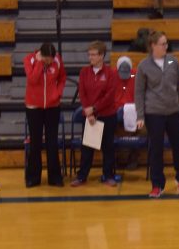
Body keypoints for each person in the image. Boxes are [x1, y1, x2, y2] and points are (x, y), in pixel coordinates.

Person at [134, 30, 179, 198]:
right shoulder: (143, 66)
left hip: (174, 111)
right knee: (156, 149)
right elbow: (139, 92)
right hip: (154, 112)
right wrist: (140, 115)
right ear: (152, 46)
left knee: (177, 146)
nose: (166, 46)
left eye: (166, 43)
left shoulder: (174, 61)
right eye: (162, 44)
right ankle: (157, 184)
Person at [71, 41, 119, 187]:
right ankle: (82, 176)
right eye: (89, 54)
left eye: (93, 54)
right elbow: (83, 92)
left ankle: (108, 175)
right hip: (91, 116)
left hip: (107, 115)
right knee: (87, 148)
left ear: (101, 56)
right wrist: (88, 111)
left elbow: (109, 96)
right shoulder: (84, 72)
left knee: (108, 147)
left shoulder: (110, 73)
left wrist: (94, 108)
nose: (90, 57)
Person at [23, 42, 66, 188]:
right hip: (34, 107)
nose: (50, 62)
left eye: (51, 59)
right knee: (35, 143)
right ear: (42, 55)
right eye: (47, 59)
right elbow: (32, 79)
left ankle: (55, 177)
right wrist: (40, 63)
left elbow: (62, 78)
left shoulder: (57, 60)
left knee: (52, 143)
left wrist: (58, 93)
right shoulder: (29, 60)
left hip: (53, 107)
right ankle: (33, 177)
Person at [114, 56, 141, 170]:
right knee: (107, 127)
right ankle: (114, 159)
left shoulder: (137, 75)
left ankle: (133, 158)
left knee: (141, 127)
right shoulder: (112, 76)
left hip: (133, 109)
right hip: (115, 110)